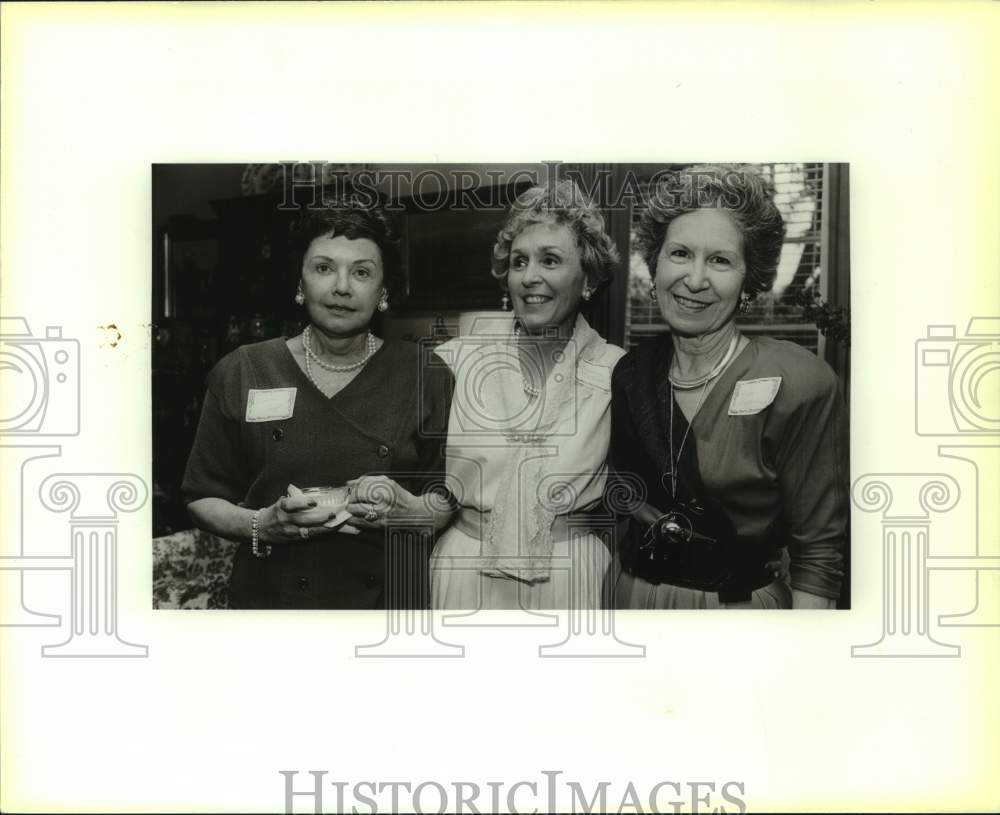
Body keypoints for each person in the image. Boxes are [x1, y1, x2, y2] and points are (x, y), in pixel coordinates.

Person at [182, 202, 454, 609]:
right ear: (300, 281)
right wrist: (263, 524)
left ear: (384, 291)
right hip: (272, 600)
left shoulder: (425, 373)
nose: (342, 287)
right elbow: (201, 497)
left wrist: (411, 513)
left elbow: (449, 496)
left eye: (361, 272)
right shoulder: (245, 369)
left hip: (388, 601)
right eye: (324, 268)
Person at [609, 165, 848, 609]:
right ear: (655, 261)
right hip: (629, 594)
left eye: (720, 260)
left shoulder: (800, 382)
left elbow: (818, 556)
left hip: (736, 607)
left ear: (748, 279)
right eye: (680, 253)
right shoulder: (630, 374)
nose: (695, 279)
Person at [429, 180, 625, 609]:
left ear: (588, 278)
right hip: (466, 570)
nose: (530, 276)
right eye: (519, 262)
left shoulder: (616, 372)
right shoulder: (456, 361)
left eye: (550, 260)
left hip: (570, 578)